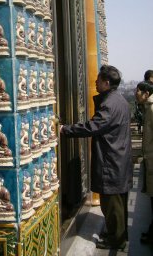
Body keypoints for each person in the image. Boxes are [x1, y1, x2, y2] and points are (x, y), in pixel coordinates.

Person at [60, 65, 133, 250]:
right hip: (118, 157)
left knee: (112, 203)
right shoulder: (120, 100)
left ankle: (116, 240)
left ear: (106, 83)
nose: (95, 82)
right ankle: (118, 235)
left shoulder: (110, 104)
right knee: (119, 201)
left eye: (99, 80)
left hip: (111, 160)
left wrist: (65, 129)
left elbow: (92, 127)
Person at [135, 80, 153, 244]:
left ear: (146, 94)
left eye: (138, 92)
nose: (135, 94)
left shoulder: (152, 109)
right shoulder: (147, 108)